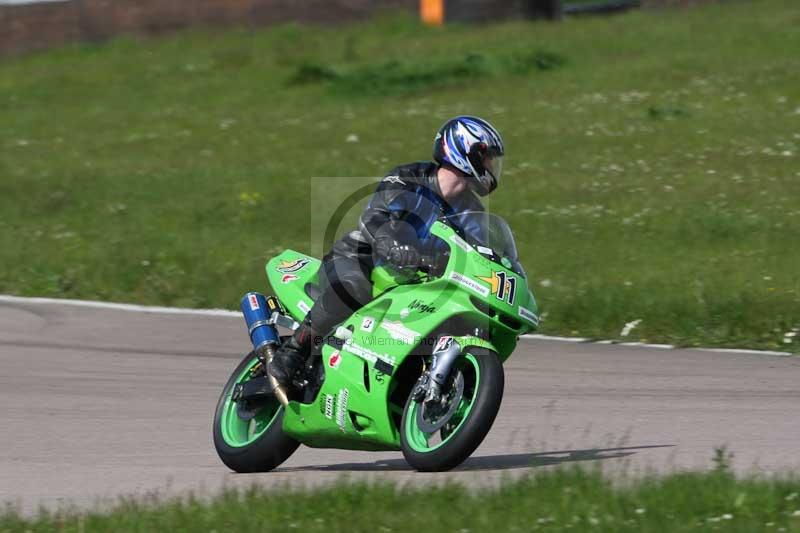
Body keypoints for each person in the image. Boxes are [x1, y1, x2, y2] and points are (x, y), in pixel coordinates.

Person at [268, 116, 505, 386]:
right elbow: (375, 217)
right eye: (488, 159)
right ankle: (294, 352)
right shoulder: (407, 177)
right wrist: (391, 244)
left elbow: (481, 253)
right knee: (353, 288)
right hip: (361, 257)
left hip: (416, 280)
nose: (492, 167)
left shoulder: (471, 212)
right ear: (466, 152)